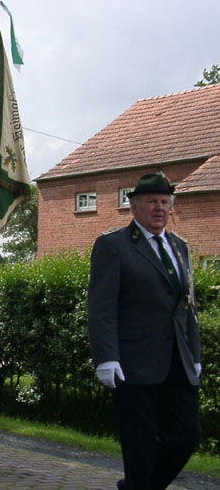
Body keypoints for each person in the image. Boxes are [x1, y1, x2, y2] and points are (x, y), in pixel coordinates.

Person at [87, 172, 202, 490]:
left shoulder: (179, 247)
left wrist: (194, 353)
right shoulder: (114, 246)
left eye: (165, 202)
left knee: (186, 436)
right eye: (152, 201)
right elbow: (101, 307)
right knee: (139, 445)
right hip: (132, 362)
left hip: (177, 361)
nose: (159, 208)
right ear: (134, 206)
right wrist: (106, 357)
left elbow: (188, 306)